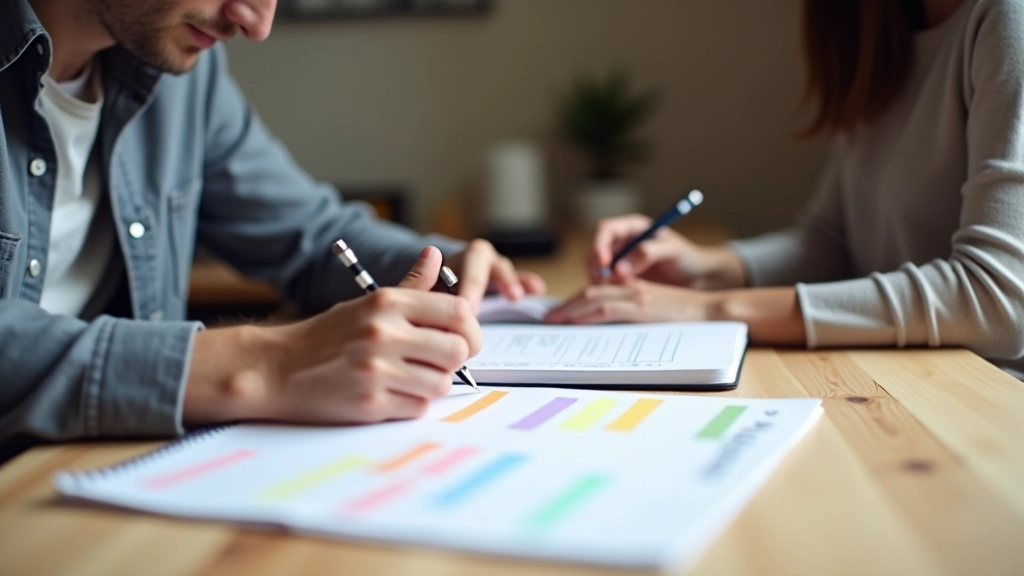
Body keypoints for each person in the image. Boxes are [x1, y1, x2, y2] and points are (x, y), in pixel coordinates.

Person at [0, 0, 546, 461]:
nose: (255, 24)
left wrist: (451, 270)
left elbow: (311, 234)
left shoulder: (181, 77)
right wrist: (262, 364)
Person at [546, 0, 1024, 380]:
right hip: (900, 378)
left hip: (983, 400)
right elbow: (831, 241)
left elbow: (995, 299)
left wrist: (715, 309)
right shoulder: (883, 28)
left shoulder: (1008, 18)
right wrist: (709, 268)